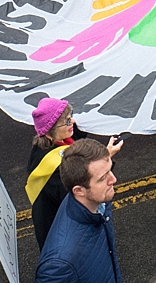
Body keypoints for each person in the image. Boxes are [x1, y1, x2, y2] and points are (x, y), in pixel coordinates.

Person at [26, 98, 120, 250]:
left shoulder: (53, 141)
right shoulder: (55, 168)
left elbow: (75, 135)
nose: (72, 122)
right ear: (51, 132)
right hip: (61, 232)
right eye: (67, 121)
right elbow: (85, 190)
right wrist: (105, 157)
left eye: (70, 117)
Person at [35, 138, 123, 283]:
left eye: (110, 170)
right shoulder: (58, 265)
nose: (113, 179)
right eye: (102, 178)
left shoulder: (96, 201)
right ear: (79, 190)